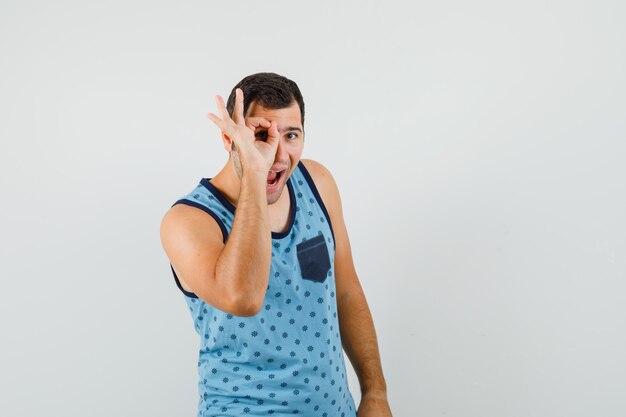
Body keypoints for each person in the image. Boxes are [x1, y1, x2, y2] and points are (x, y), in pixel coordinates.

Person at [160, 72, 392, 417]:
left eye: (291, 135)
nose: (278, 153)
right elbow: (243, 297)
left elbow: (345, 291)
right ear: (229, 137)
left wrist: (375, 392)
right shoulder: (188, 221)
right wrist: (254, 171)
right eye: (261, 135)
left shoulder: (318, 183)